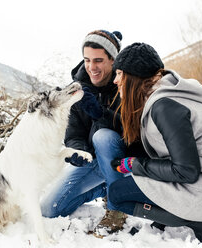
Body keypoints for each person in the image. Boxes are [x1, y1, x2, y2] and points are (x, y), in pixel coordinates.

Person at [105, 42, 202, 244]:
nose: (116, 81)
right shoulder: (164, 98)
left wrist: (136, 165)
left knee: (117, 194)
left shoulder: (164, 107)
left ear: (134, 76)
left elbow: (186, 171)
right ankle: (179, 218)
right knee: (127, 187)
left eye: (120, 74)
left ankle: (201, 223)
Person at [40, 30, 144, 236]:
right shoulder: (78, 89)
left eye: (98, 60)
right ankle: (106, 187)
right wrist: (78, 150)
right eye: (87, 60)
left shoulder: (126, 84)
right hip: (95, 161)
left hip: (123, 160)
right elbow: (74, 133)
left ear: (113, 61)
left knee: (102, 136)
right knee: (49, 209)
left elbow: (133, 132)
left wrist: (100, 113)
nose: (91, 67)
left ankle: (117, 206)